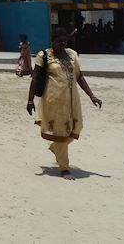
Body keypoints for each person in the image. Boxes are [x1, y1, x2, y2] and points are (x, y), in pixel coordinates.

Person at [26, 27, 102, 180]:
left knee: (77, 127)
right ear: (52, 41)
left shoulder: (72, 54)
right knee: (60, 133)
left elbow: (79, 76)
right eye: (59, 41)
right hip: (54, 101)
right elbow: (35, 78)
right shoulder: (44, 56)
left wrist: (92, 95)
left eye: (65, 41)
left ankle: (56, 148)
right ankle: (64, 168)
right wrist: (30, 100)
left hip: (72, 100)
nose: (62, 44)